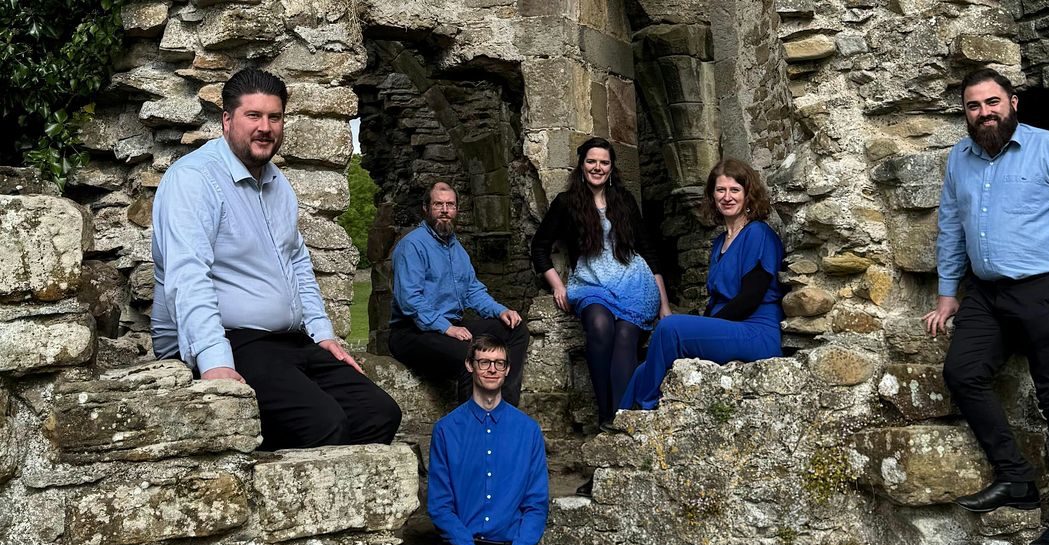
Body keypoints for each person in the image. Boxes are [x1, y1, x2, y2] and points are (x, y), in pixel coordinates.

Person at [151, 67, 402, 451]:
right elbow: (187, 275)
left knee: (378, 412)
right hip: (233, 340)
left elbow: (296, 262)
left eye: (274, 117)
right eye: (253, 115)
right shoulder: (194, 179)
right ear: (227, 120)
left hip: (288, 341)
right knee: (324, 424)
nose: (265, 127)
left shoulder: (277, 184)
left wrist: (322, 334)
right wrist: (215, 362)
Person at [923, 68, 1049, 545]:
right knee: (962, 372)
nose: (984, 113)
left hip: (1046, 289)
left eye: (992, 102)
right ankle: (1017, 478)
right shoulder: (959, 159)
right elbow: (951, 227)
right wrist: (947, 293)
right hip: (985, 293)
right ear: (965, 112)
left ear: (1013, 103)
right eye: (974, 106)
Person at [618, 158, 784, 413]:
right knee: (645, 368)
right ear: (712, 196)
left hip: (755, 331)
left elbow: (750, 298)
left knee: (670, 328)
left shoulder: (758, 233)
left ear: (748, 194)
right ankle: (623, 420)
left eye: (735, 190)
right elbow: (715, 301)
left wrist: (704, 328)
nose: (727, 197)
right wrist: (704, 327)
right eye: (720, 190)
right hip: (729, 328)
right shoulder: (719, 243)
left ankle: (645, 409)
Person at [426, 335, 551, 545]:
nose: (492, 369)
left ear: (507, 369)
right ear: (471, 365)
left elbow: (536, 505)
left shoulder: (528, 431)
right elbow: (440, 507)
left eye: (499, 363)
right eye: (484, 362)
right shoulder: (446, 430)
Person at [530, 138, 671, 432]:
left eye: (604, 162)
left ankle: (621, 418)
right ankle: (606, 414)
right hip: (591, 282)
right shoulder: (566, 203)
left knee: (626, 335)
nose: (598, 167)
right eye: (591, 161)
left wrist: (664, 305)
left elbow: (649, 250)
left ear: (611, 167)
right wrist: (557, 286)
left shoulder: (624, 200)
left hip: (634, 283)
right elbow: (539, 247)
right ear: (582, 165)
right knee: (599, 324)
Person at [389, 181, 528, 405]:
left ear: (457, 210)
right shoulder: (412, 245)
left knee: (515, 330)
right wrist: (447, 328)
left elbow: (473, 291)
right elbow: (410, 300)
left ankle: (504, 408)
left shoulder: (457, 249)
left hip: (450, 325)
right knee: (470, 356)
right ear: (426, 208)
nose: (445, 210)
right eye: (438, 204)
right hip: (412, 332)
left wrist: (501, 311)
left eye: (450, 205)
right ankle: (471, 423)